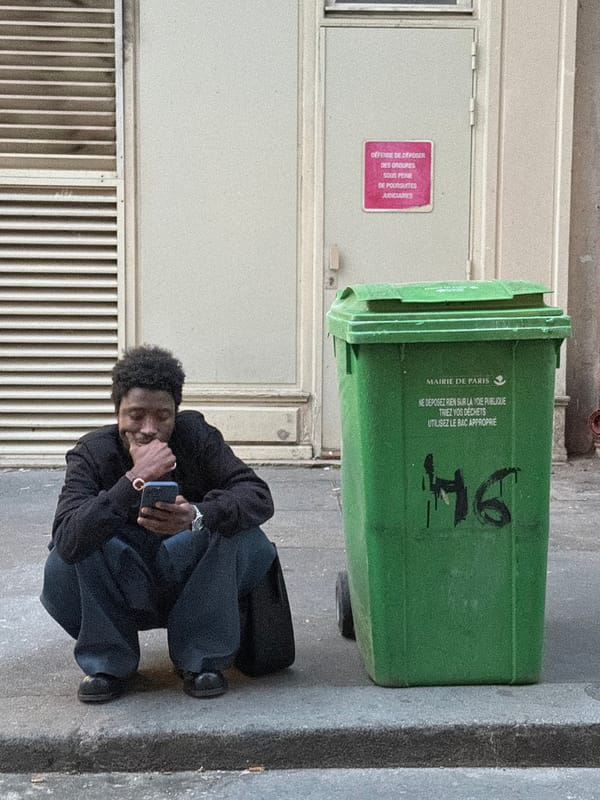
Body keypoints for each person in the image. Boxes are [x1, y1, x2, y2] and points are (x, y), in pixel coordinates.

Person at [40, 345, 294, 703]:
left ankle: (201, 660)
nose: (149, 430)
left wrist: (198, 515)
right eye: (136, 416)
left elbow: (257, 495)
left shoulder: (197, 436)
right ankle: (108, 664)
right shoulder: (93, 453)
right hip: (123, 576)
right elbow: (66, 536)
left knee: (236, 534)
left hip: (188, 573)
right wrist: (134, 479)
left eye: (163, 416)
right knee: (77, 543)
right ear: (117, 415)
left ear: (176, 413)